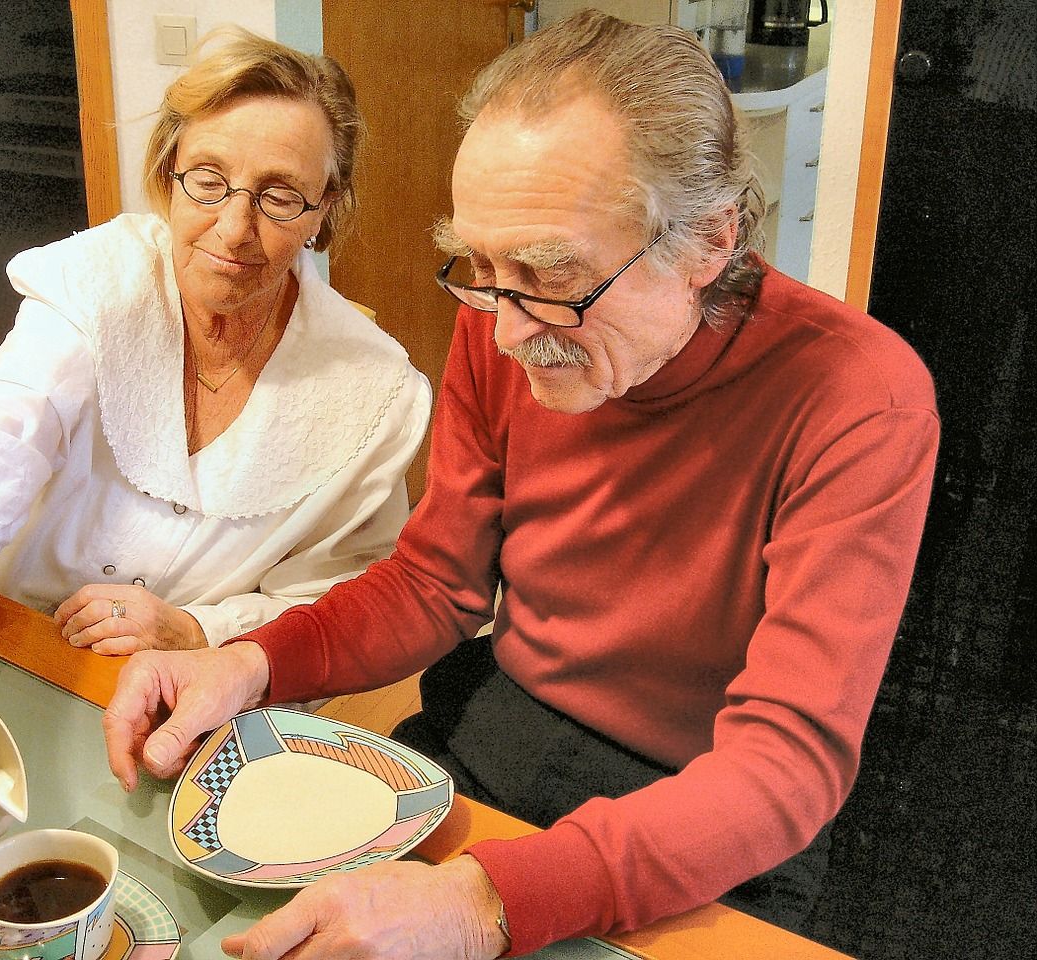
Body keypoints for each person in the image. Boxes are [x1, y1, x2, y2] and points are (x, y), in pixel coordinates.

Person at [103, 11, 939, 960]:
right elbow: (434, 584)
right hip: (503, 725)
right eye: (482, 267)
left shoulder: (860, 397)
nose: (502, 332)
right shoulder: (510, 316)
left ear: (710, 238)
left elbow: (786, 763)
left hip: (709, 806)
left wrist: (482, 902)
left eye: (551, 275)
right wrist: (249, 663)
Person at [0, 28, 432, 705]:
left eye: (278, 197)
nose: (233, 229)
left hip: (180, 696)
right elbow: (8, 415)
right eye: (209, 181)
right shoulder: (101, 277)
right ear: (168, 174)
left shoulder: (376, 392)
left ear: (323, 209)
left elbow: (342, 596)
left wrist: (195, 629)